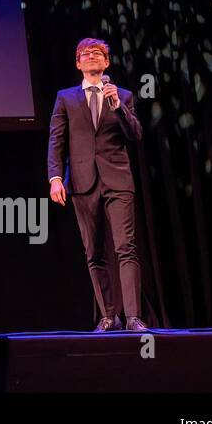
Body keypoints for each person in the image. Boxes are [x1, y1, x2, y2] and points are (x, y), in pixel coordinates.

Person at [46, 37, 147, 332]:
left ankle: (133, 318)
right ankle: (108, 316)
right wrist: (55, 178)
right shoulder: (65, 98)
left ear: (106, 63)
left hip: (117, 179)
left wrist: (118, 107)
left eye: (97, 53)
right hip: (81, 182)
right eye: (85, 53)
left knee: (126, 247)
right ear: (78, 63)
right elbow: (57, 139)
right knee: (94, 253)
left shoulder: (123, 96)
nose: (91, 56)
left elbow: (135, 134)